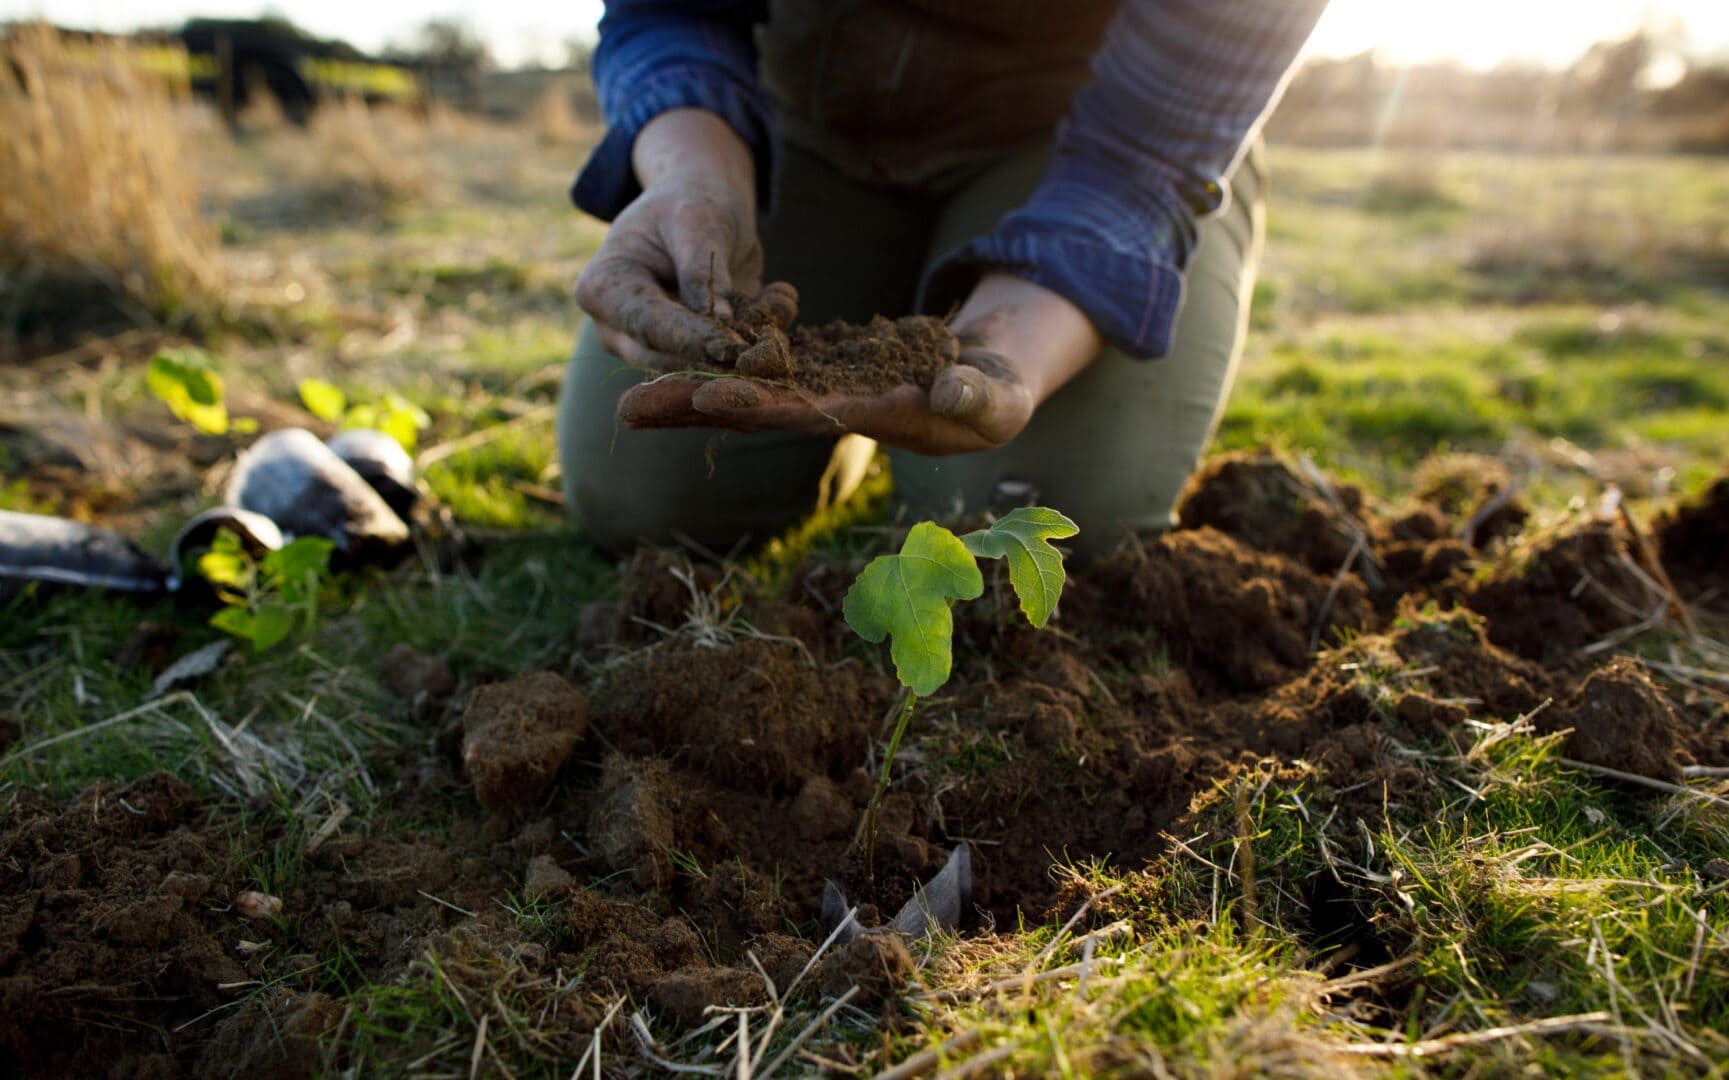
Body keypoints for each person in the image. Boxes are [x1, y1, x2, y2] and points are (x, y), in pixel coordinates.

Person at [559, 0, 1330, 556]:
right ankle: (850, 400)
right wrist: (693, 168)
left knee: (1024, 517)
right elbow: (667, 14)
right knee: (648, 499)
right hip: (798, 126)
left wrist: (1020, 333)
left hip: (1081, 151)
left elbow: (1145, 155)